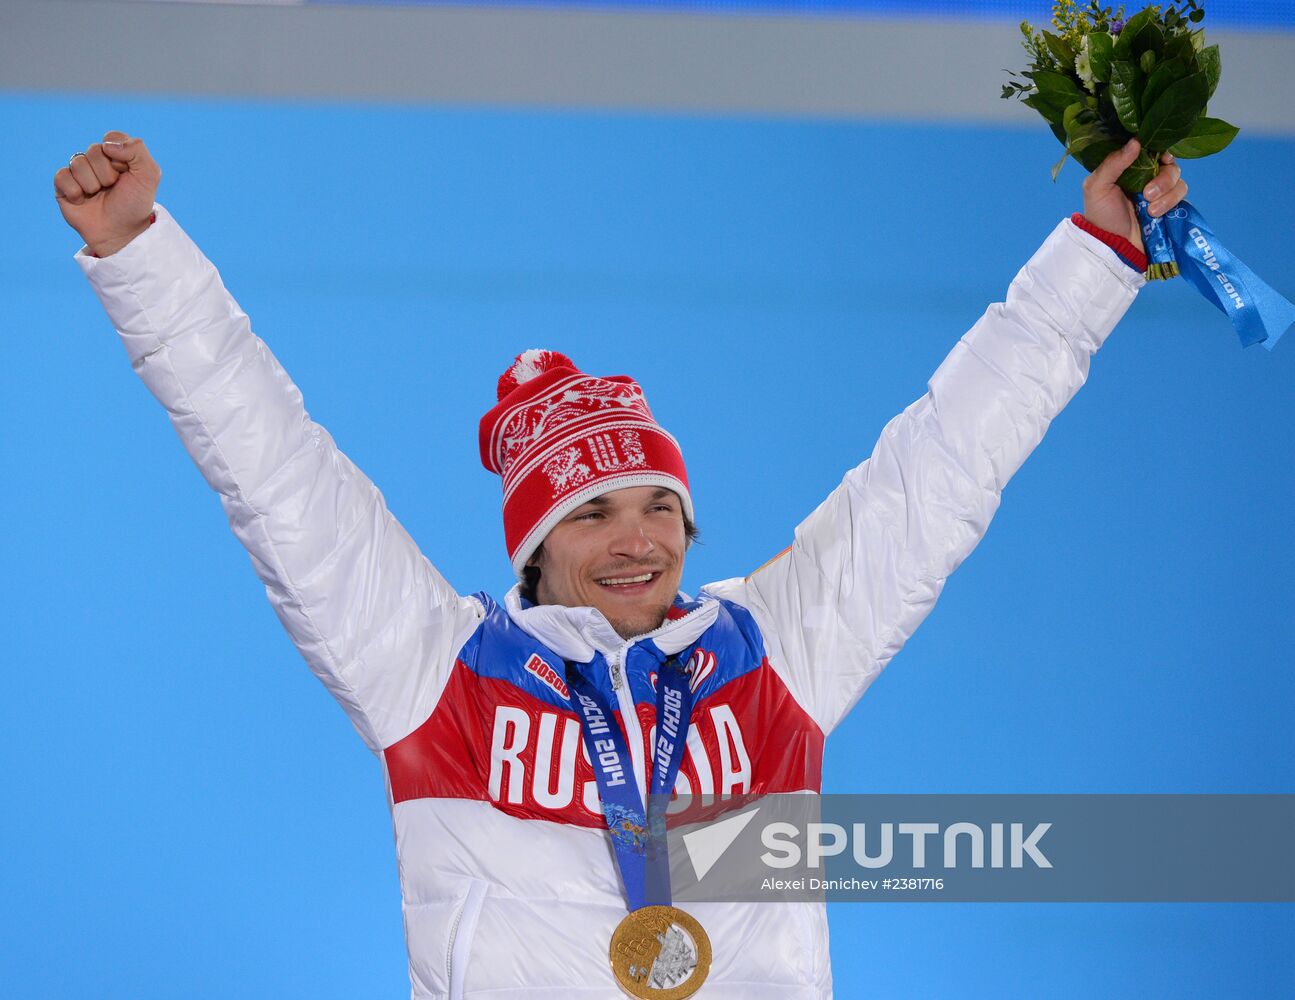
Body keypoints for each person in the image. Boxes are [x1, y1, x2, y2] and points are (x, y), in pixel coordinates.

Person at [57, 129, 1186, 1000]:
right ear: (536, 544)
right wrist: (138, 250)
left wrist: (1094, 260)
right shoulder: (431, 670)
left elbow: (944, 463)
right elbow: (272, 467)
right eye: (592, 513)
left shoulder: (771, 648)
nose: (635, 538)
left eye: (659, 507)